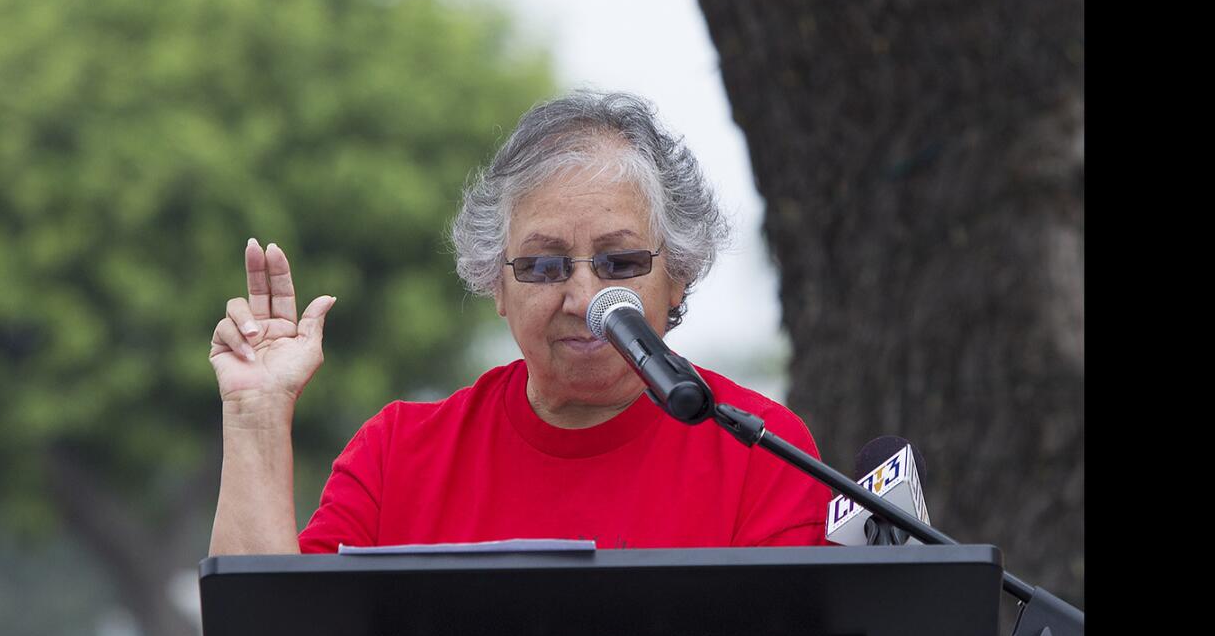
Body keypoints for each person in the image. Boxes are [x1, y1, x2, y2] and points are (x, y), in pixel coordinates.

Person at [208, 90, 831, 556]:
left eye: (619, 262)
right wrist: (256, 416)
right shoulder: (397, 456)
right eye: (543, 265)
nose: (585, 295)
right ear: (495, 284)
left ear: (678, 279)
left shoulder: (763, 451)